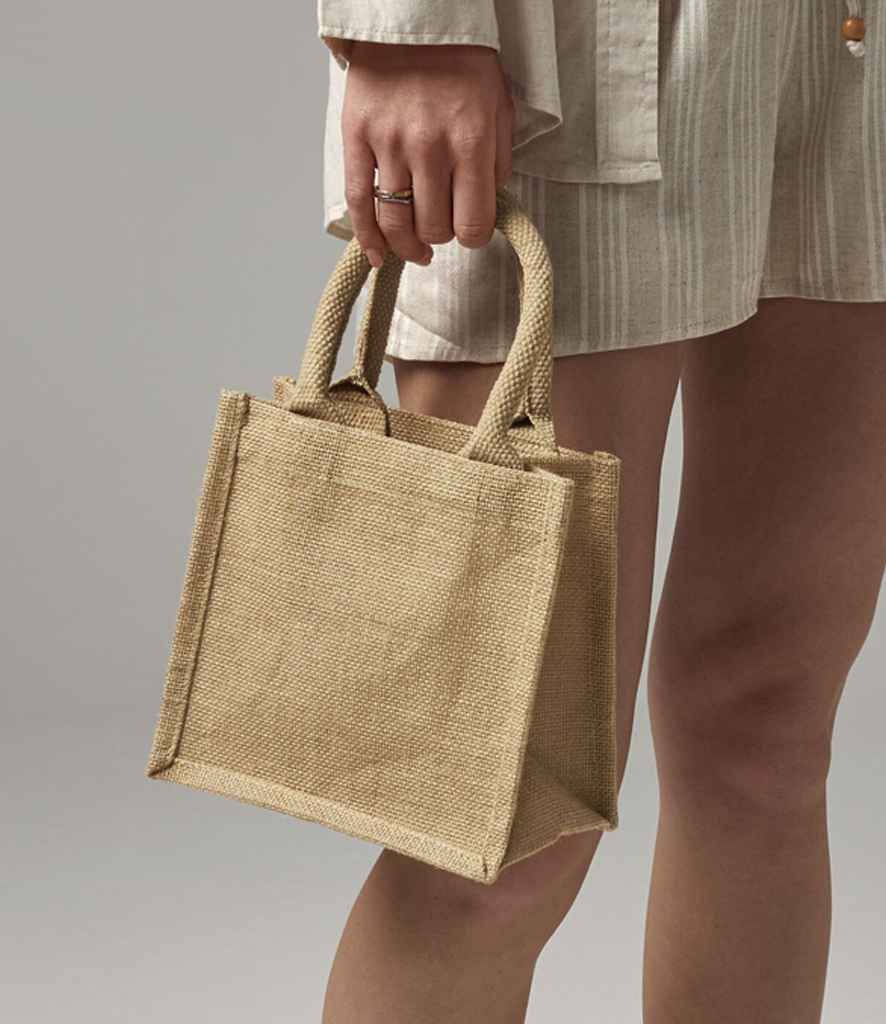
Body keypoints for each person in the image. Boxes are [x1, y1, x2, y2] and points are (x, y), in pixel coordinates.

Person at [315, 2, 886, 1021]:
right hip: (569, 49)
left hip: (852, 50)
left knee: (766, 730)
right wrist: (409, 29)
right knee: (499, 817)